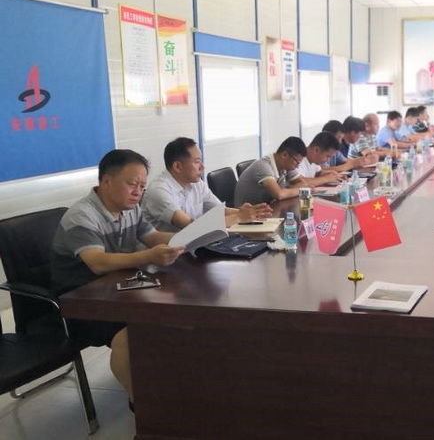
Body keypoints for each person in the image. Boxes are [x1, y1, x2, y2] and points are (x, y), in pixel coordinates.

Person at [50, 149, 184, 408]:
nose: (138, 192)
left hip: (117, 289)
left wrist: (189, 237)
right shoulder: (82, 216)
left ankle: (169, 383)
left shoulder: (130, 208)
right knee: (131, 334)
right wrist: (149, 256)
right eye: (132, 184)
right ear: (106, 181)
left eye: (142, 186)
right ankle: (142, 405)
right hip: (80, 302)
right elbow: (98, 263)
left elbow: (153, 237)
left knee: (172, 311)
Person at [142, 137, 272, 232]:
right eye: (197, 162)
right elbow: (191, 227)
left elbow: (218, 210)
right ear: (177, 166)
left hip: (191, 247)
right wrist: (239, 216)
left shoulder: (196, 183)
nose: (202, 167)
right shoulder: (159, 190)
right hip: (163, 256)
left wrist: (249, 213)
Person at [234, 137, 307, 206]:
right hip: (246, 212)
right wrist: (301, 191)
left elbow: (302, 183)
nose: (297, 166)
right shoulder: (263, 166)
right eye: (297, 162)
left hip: (266, 208)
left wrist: (286, 191)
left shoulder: (286, 166)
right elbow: (279, 195)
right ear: (284, 155)